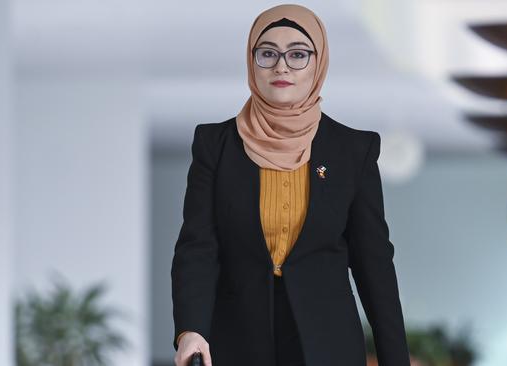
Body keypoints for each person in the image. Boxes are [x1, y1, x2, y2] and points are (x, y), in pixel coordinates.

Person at [172, 4, 410, 366]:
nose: (281, 66)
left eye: (298, 54)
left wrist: (396, 359)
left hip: (328, 343)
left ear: (319, 62)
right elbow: (198, 247)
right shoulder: (214, 145)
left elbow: (373, 263)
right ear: (252, 61)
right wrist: (190, 329)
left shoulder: (353, 150)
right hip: (236, 339)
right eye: (267, 53)